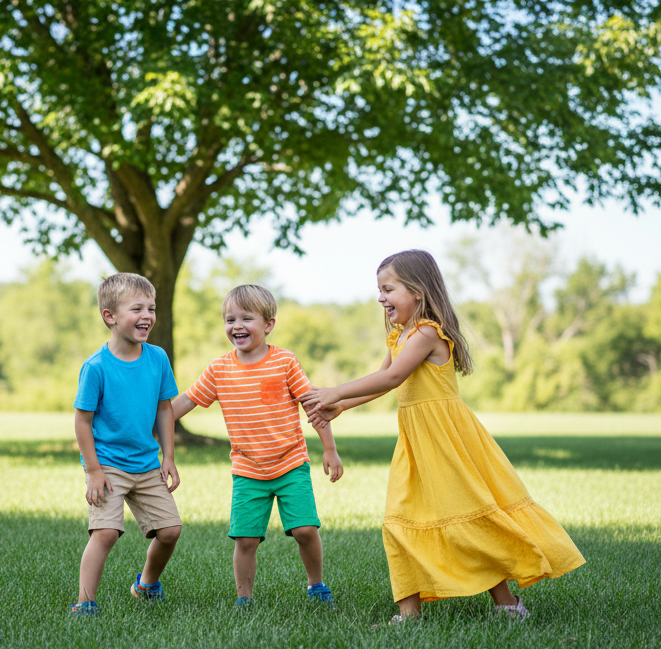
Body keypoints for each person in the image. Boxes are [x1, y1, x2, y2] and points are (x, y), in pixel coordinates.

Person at [301, 251, 584, 624]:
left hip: (447, 440)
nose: (381, 298)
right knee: (400, 519)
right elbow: (383, 383)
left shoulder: (426, 332)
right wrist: (344, 406)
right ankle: (409, 613)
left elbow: (391, 378)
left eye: (388, 289)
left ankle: (507, 605)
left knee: (467, 517)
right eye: (379, 291)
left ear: (417, 291)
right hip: (416, 442)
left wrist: (332, 392)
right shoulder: (399, 335)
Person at [171, 284, 344, 608]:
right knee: (246, 539)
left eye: (246, 318)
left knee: (306, 530)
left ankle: (316, 585)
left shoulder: (285, 362)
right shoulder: (219, 369)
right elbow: (184, 403)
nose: (236, 326)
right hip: (248, 470)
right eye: (229, 319)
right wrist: (147, 422)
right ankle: (244, 598)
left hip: (291, 464)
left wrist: (329, 449)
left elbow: (313, 406)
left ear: (268, 324)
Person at [70, 273, 182, 616]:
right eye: (137, 308)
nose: (147, 315)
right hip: (108, 466)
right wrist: (93, 472)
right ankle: (85, 602)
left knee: (170, 530)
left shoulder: (158, 358)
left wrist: (168, 457)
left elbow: (165, 410)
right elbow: (82, 421)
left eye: (151, 308)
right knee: (105, 533)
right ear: (110, 316)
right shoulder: (97, 367)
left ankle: (146, 584)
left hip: (147, 464)